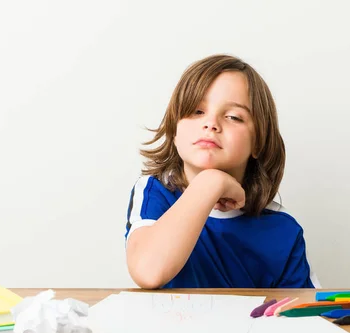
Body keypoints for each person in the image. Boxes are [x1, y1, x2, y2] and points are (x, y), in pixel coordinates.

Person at [125, 54, 320, 289]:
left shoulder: (283, 229)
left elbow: (305, 316)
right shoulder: (155, 192)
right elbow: (148, 272)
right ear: (174, 132)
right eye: (197, 111)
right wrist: (210, 183)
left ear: (258, 142)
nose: (211, 124)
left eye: (233, 117)